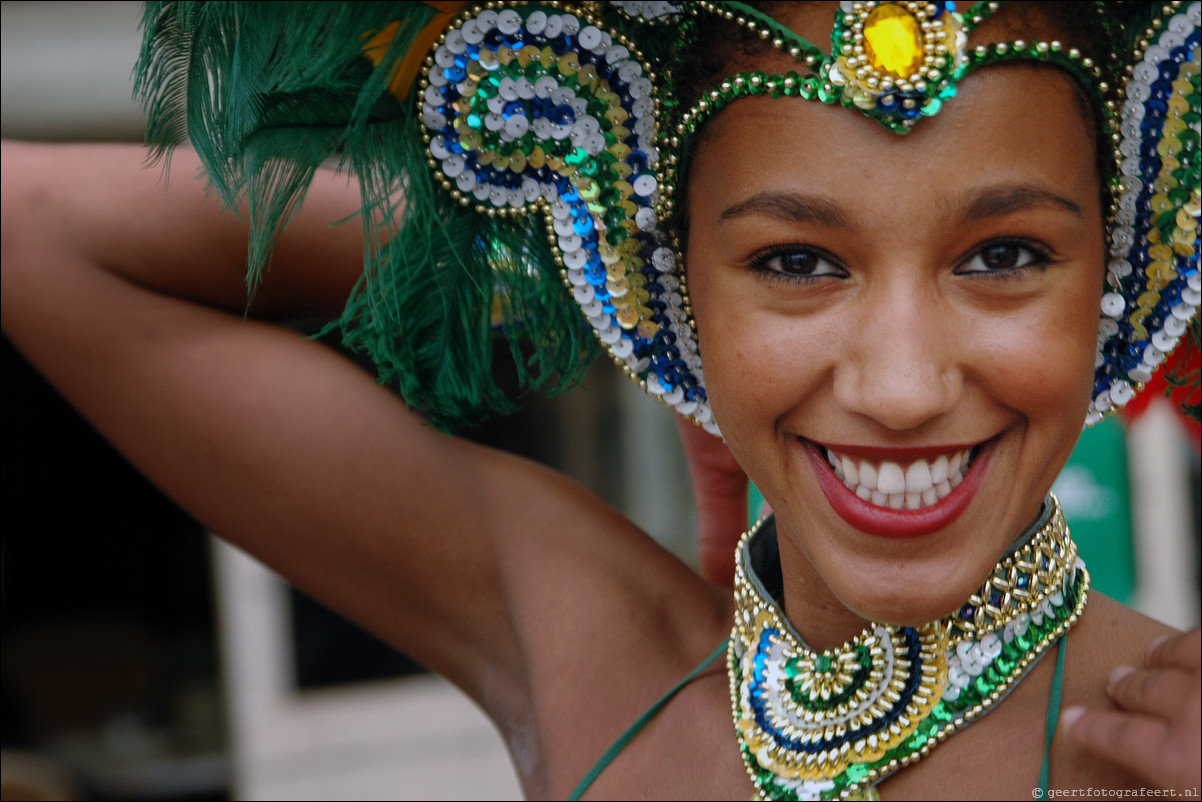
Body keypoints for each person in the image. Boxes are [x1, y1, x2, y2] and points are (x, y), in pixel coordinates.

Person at [3, 1, 1200, 798]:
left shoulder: (1167, 744)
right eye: (792, 261)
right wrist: (613, 272)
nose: (898, 385)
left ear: (1123, 268)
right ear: (679, 278)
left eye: (1001, 257)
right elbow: (32, 225)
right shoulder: (598, 657)